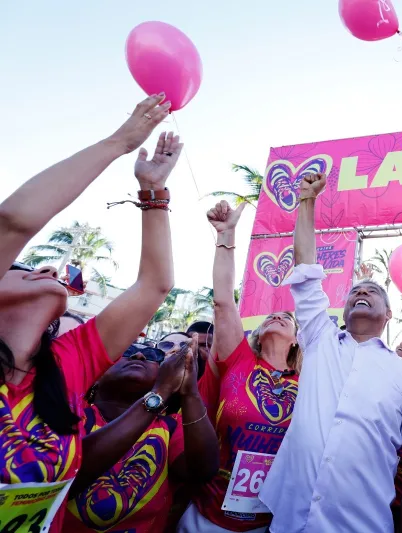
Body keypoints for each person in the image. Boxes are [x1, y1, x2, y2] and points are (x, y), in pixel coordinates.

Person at [0, 94, 177, 529]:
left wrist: (153, 191)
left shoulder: (68, 365)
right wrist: (121, 142)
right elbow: (12, 222)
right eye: (21, 266)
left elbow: (155, 285)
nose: (43, 267)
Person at [260, 172, 402, 532]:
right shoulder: (320, 339)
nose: (361, 293)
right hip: (289, 521)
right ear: (343, 309)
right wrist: (307, 201)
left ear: (389, 315)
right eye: (354, 292)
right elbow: (304, 272)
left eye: (373, 292)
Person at [178, 201, 303, 533]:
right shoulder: (238, 361)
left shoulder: (309, 381)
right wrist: (225, 236)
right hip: (206, 518)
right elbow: (222, 302)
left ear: (296, 340)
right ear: (257, 334)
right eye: (270, 317)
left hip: (271, 523)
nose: (277, 316)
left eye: (287, 319)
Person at [64, 338, 218, 532]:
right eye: (126, 351)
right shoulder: (70, 417)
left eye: (153, 356)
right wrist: (160, 392)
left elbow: (202, 472)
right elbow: (68, 476)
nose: (139, 355)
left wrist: (190, 393)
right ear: (96, 375)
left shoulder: (171, 426)